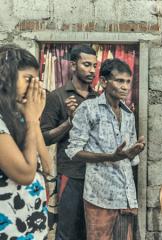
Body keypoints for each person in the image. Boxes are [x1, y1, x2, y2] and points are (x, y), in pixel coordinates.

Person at [65, 58, 145, 240]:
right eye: (119, 81)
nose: (125, 86)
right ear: (103, 82)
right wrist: (110, 156)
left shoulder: (128, 114)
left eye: (127, 82)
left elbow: (128, 157)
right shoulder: (88, 109)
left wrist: (134, 152)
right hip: (99, 196)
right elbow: (74, 151)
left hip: (126, 195)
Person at [40, 44, 98, 239]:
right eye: (87, 65)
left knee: (90, 233)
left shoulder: (98, 98)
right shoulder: (57, 97)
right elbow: (44, 138)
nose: (92, 70)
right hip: (71, 175)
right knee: (67, 233)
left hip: (96, 176)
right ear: (73, 65)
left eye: (94, 66)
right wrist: (69, 122)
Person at [0, 44, 52, 239]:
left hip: (31, 228)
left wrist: (33, 118)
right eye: (28, 79)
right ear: (6, 77)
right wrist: (31, 118)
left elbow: (47, 166)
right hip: (9, 230)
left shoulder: (18, 116)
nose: (33, 87)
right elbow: (25, 174)